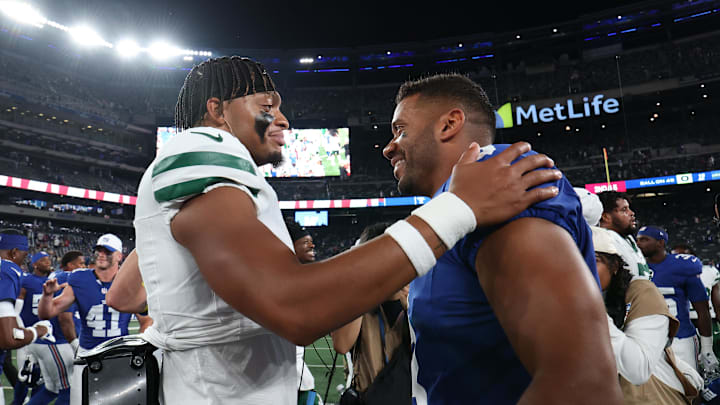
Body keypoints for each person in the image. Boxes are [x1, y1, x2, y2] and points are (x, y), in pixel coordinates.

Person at [131, 56, 564, 404]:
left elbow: (125, 293)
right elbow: (294, 306)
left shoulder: (209, 176)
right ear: (216, 111)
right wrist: (458, 209)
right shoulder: (202, 148)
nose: (282, 121)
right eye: (267, 108)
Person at [381, 73, 620, 403]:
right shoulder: (454, 207)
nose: (388, 147)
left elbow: (582, 385)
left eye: (401, 130)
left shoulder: (500, 182)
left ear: (449, 124)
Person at [37, 234, 151, 404]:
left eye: (107, 251)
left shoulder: (129, 281)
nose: (101, 255)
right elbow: (48, 312)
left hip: (118, 356)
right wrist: (47, 296)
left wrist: (136, 350)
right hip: (87, 353)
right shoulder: (79, 278)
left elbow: (146, 321)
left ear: (119, 256)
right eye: (99, 251)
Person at [592, 226, 702, 404]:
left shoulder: (639, 290)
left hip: (652, 389)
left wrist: (588, 308)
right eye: (576, 261)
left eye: (594, 260)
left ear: (615, 265)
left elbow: (638, 370)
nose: (584, 268)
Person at [332, 222, 411, 405]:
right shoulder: (359, 299)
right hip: (368, 396)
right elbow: (342, 345)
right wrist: (363, 286)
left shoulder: (414, 294)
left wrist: (408, 301)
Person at [636, 225, 719, 374]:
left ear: (660, 243)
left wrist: (706, 348)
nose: (638, 243)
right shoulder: (635, 267)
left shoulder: (682, 266)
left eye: (644, 239)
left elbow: (703, 310)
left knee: (690, 387)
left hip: (681, 338)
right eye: (638, 239)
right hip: (648, 340)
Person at [0, 230, 55, 404]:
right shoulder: (8, 271)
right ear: (14, 252)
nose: (25, 259)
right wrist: (38, 331)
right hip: (27, 336)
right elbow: (8, 338)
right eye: (24, 254)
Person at [17, 252, 73, 404]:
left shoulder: (54, 279)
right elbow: (16, 307)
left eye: (48, 259)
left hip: (46, 335)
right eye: (43, 260)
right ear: (34, 264)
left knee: (47, 387)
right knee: (27, 378)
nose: (47, 262)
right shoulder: (26, 280)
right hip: (35, 336)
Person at [285, 221, 320, 405]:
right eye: (306, 242)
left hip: (299, 380)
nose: (312, 245)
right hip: (284, 380)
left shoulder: (299, 282)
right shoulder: (279, 282)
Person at [672, 244, 720, 356]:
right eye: (675, 257)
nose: (680, 259)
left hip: (708, 319)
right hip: (681, 320)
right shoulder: (666, 274)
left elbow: (716, 299)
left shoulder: (709, 271)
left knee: (713, 354)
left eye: (683, 256)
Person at [597, 191, 653, 279]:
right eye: (624, 210)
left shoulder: (626, 238)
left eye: (629, 208)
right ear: (606, 217)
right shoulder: (603, 241)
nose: (631, 213)